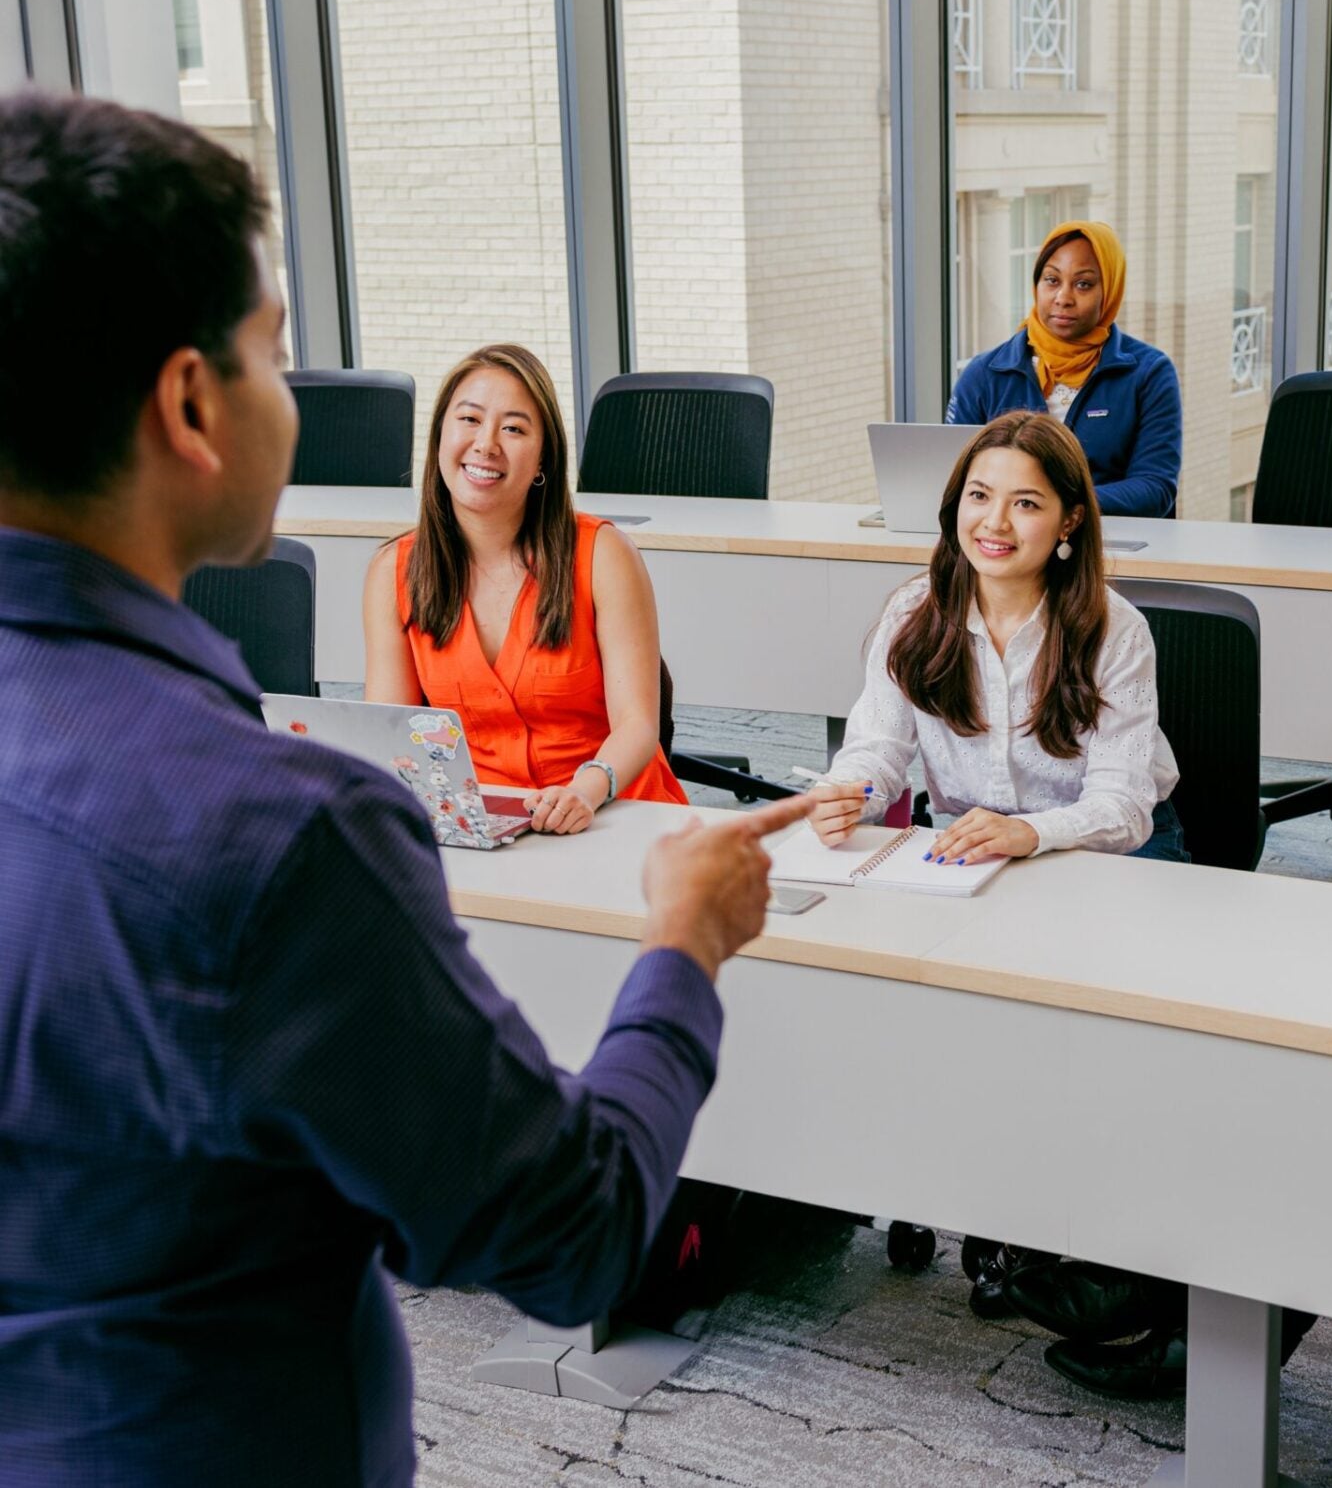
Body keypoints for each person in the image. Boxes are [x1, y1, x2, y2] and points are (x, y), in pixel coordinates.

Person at [0, 90, 814, 1486]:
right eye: (275, 359)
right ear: (193, 405)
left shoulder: (280, 811)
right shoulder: (284, 838)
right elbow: (573, 1237)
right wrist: (684, 940)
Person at [805, 409, 1183, 1348]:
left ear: (1068, 527)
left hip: (1110, 855)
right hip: (967, 851)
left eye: (1026, 503)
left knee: (1083, 1027)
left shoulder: (1112, 629)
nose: (996, 523)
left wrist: (1027, 832)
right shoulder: (912, 612)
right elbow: (878, 746)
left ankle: (1061, 1233)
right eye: (979, 497)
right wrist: (850, 790)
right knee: (929, 999)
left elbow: (1122, 806)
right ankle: (981, 1199)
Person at [363, 343, 687, 834]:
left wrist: (587, 788)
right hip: (486, 821)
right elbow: (391, 737)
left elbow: (639, 725)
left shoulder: (604, 555)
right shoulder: (395, 572)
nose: (486, 444)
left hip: (615, 813)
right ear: (438, 438)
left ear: (542, 460)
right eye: (469, 420)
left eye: (513, 428)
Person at [946, 221, 1183, 518]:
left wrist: (1058, 506)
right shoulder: (985, 373)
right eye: (1052, 280)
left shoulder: (1149, 373)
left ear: (1109, 290)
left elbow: (1155, 488)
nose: (1063, 298)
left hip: (1109, 548)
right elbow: (956, 480)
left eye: (1083, 284)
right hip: (1004, 546)